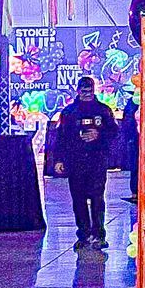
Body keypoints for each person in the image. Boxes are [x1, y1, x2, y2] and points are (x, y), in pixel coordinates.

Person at [49, 75, 118, 251]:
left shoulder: (104, 111)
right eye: (83, 91)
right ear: (78, 91)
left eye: (90, 90)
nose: (87, 94)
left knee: (97, 198)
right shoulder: (69, 112)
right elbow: (60, 138)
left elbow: (114, 133)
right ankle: (83, 234)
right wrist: (58, 160)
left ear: (94, 91)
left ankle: (99, 235)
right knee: (78, 200)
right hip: (76, 162)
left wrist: (98, 135)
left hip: (97, 161)